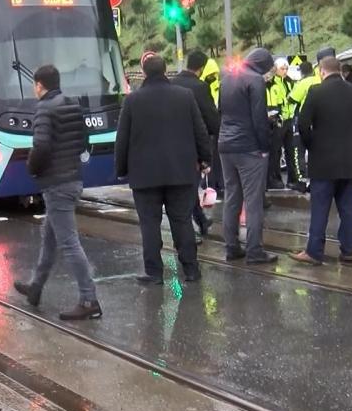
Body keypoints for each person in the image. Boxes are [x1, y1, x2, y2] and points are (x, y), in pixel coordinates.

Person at [14, 65, 101, 320]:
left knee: (69, 243)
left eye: (35, 85)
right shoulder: (73, 105)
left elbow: (40, 147)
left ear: (40, 85)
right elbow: (84, 141)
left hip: (56, 184)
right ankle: (36, 287)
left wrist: (32, 167)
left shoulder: (44, 108)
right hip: (72, 179)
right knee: (49, 237)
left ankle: (89, 299)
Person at [116, 53, 212, 283]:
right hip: (181, 172)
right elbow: (200, 130)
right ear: (165, 70)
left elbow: (123, 139)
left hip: (145, 175)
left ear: (145, 73)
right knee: (182, 221)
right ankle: (191, 269)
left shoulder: (132, 101)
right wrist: (205, 159)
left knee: (149, 223)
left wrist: (121, 169)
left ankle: (154, 272)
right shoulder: (185, 96)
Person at [290, 56, 352, 266]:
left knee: (320, 208)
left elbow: (303, 123)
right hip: (348, 160)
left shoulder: (316, 92)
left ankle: (314, 252)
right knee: (347, 209)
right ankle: (347, 251)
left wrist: (312, 145)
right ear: (340, 70)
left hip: (322, 161)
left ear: (321, 72)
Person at [218, 47, 278, 265]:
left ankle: (232, 247)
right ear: (262, 64)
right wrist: (264, 147)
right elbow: (259, 118)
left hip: (225, 145)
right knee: (253, 201)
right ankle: (254, 250)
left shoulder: (227, 77)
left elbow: (221, 111)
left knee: (232, 197)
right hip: (248, 147)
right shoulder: (255, 80)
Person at [172, 50, 221, 243]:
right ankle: (188, 232)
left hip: (173, 143)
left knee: (185, 186)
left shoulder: (173, 83)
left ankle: (200, 220)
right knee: (189, 186)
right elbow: (210, 118)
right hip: (193, 144)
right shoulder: (200, 87)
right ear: (201, 68)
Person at [287, 61, 319, 191]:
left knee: (298, 150)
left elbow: (292, 98)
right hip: (318, 120)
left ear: (302, 72)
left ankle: (302, 180)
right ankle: (316, 178)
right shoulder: (319, 80)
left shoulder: (303, 83)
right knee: (315, 150)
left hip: (303, 118)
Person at [266, 58, 293, 190]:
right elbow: (272, 104)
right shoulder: (271, 83)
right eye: (282, 68)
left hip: (288, 120)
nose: (285, 71)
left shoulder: (288, 82)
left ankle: (291, 179)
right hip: (277, 122)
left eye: (286, 68)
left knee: (290, 150)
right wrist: (276, 118)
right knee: (275, 152)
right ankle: (274, 178)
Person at [199, 54, 224, 194]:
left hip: (215, 125)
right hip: (207, 127)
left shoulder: (217, 86)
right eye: (211, 74)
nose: (214, 76)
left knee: (216, 157)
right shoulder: (202, 87)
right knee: (210, 157)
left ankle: (216, 182)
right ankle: (209, 183)